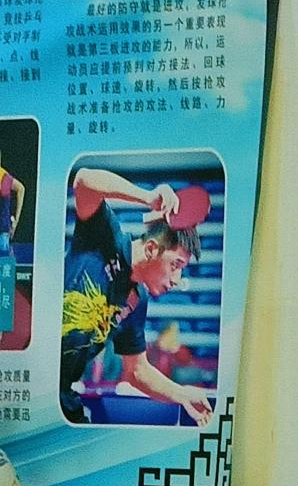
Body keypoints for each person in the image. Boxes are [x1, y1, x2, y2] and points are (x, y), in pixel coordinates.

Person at [60, 168, 212, 426]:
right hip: (32, 372)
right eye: (175, 265)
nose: (177, 279)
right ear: (151, 249)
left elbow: (137, 371)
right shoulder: (103, 235)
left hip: (61, 394)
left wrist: (182, 394)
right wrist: (147, 197)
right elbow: (83, 180)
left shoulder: (137, 300)